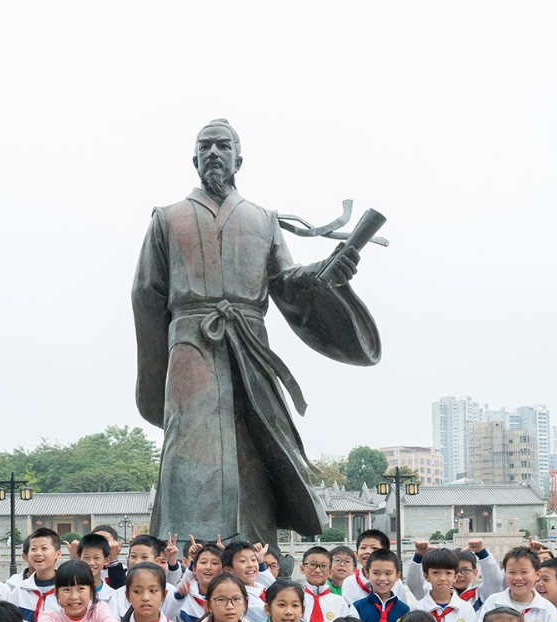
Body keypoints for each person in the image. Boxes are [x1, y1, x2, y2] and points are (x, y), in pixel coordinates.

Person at [133, 118, 376, 545]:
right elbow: (146, 296)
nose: (213, 153)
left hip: (249, 341)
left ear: (238, 159)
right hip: (191, 340)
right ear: (193, 159)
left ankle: (255, 550)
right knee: (190, 437)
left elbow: (287, 280)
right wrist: (157, 375)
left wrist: (327, 271)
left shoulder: (263, 220)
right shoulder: (167, 218)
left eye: (222, 146)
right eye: (204, 146)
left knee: (256, 437)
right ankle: (188, 548)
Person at [477, 548, 557, 622]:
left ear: (537, 574)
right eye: (511, 572)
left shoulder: (548, 610)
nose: (518, 578)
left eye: (524, 572)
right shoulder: (493, 603)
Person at [407, 547, 478, 622]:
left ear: (455, 576)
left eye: (448, 573)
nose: (442, 578)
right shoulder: (418, 609)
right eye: (435, 573)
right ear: (426, 576)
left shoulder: (466, 609)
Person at [351, 549, 411, 622]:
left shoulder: (404, 609)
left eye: (388, 573)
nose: (382, 578)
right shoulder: (357, 608)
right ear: (367, 574)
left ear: (397, 575)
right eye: (376, 573)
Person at [8, 528, 63, 622]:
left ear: (58, 554)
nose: (38, 553)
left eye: (44, 548)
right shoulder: (19, 590)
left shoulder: (66, 589)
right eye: (33, 549)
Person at [296, 546, 351, 622]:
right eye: (312, 564)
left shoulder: (340, 602)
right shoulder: (296, 599)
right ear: (302, 568)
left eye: (323, 566)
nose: (317, 570)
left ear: (330, 571)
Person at [165, 543, 222, 622]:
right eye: (203, 562)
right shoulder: (183, 595)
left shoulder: (228, 598)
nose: (208, 567)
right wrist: (179, 597)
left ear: (222, 569)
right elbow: (167, 619)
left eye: (214, 563)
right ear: (194, 569)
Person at [340, 530, 391, 604]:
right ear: (357, 553)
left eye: (374, 548)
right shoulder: (349, 583)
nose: (367, 551)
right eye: (363, 548)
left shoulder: (394, 582)